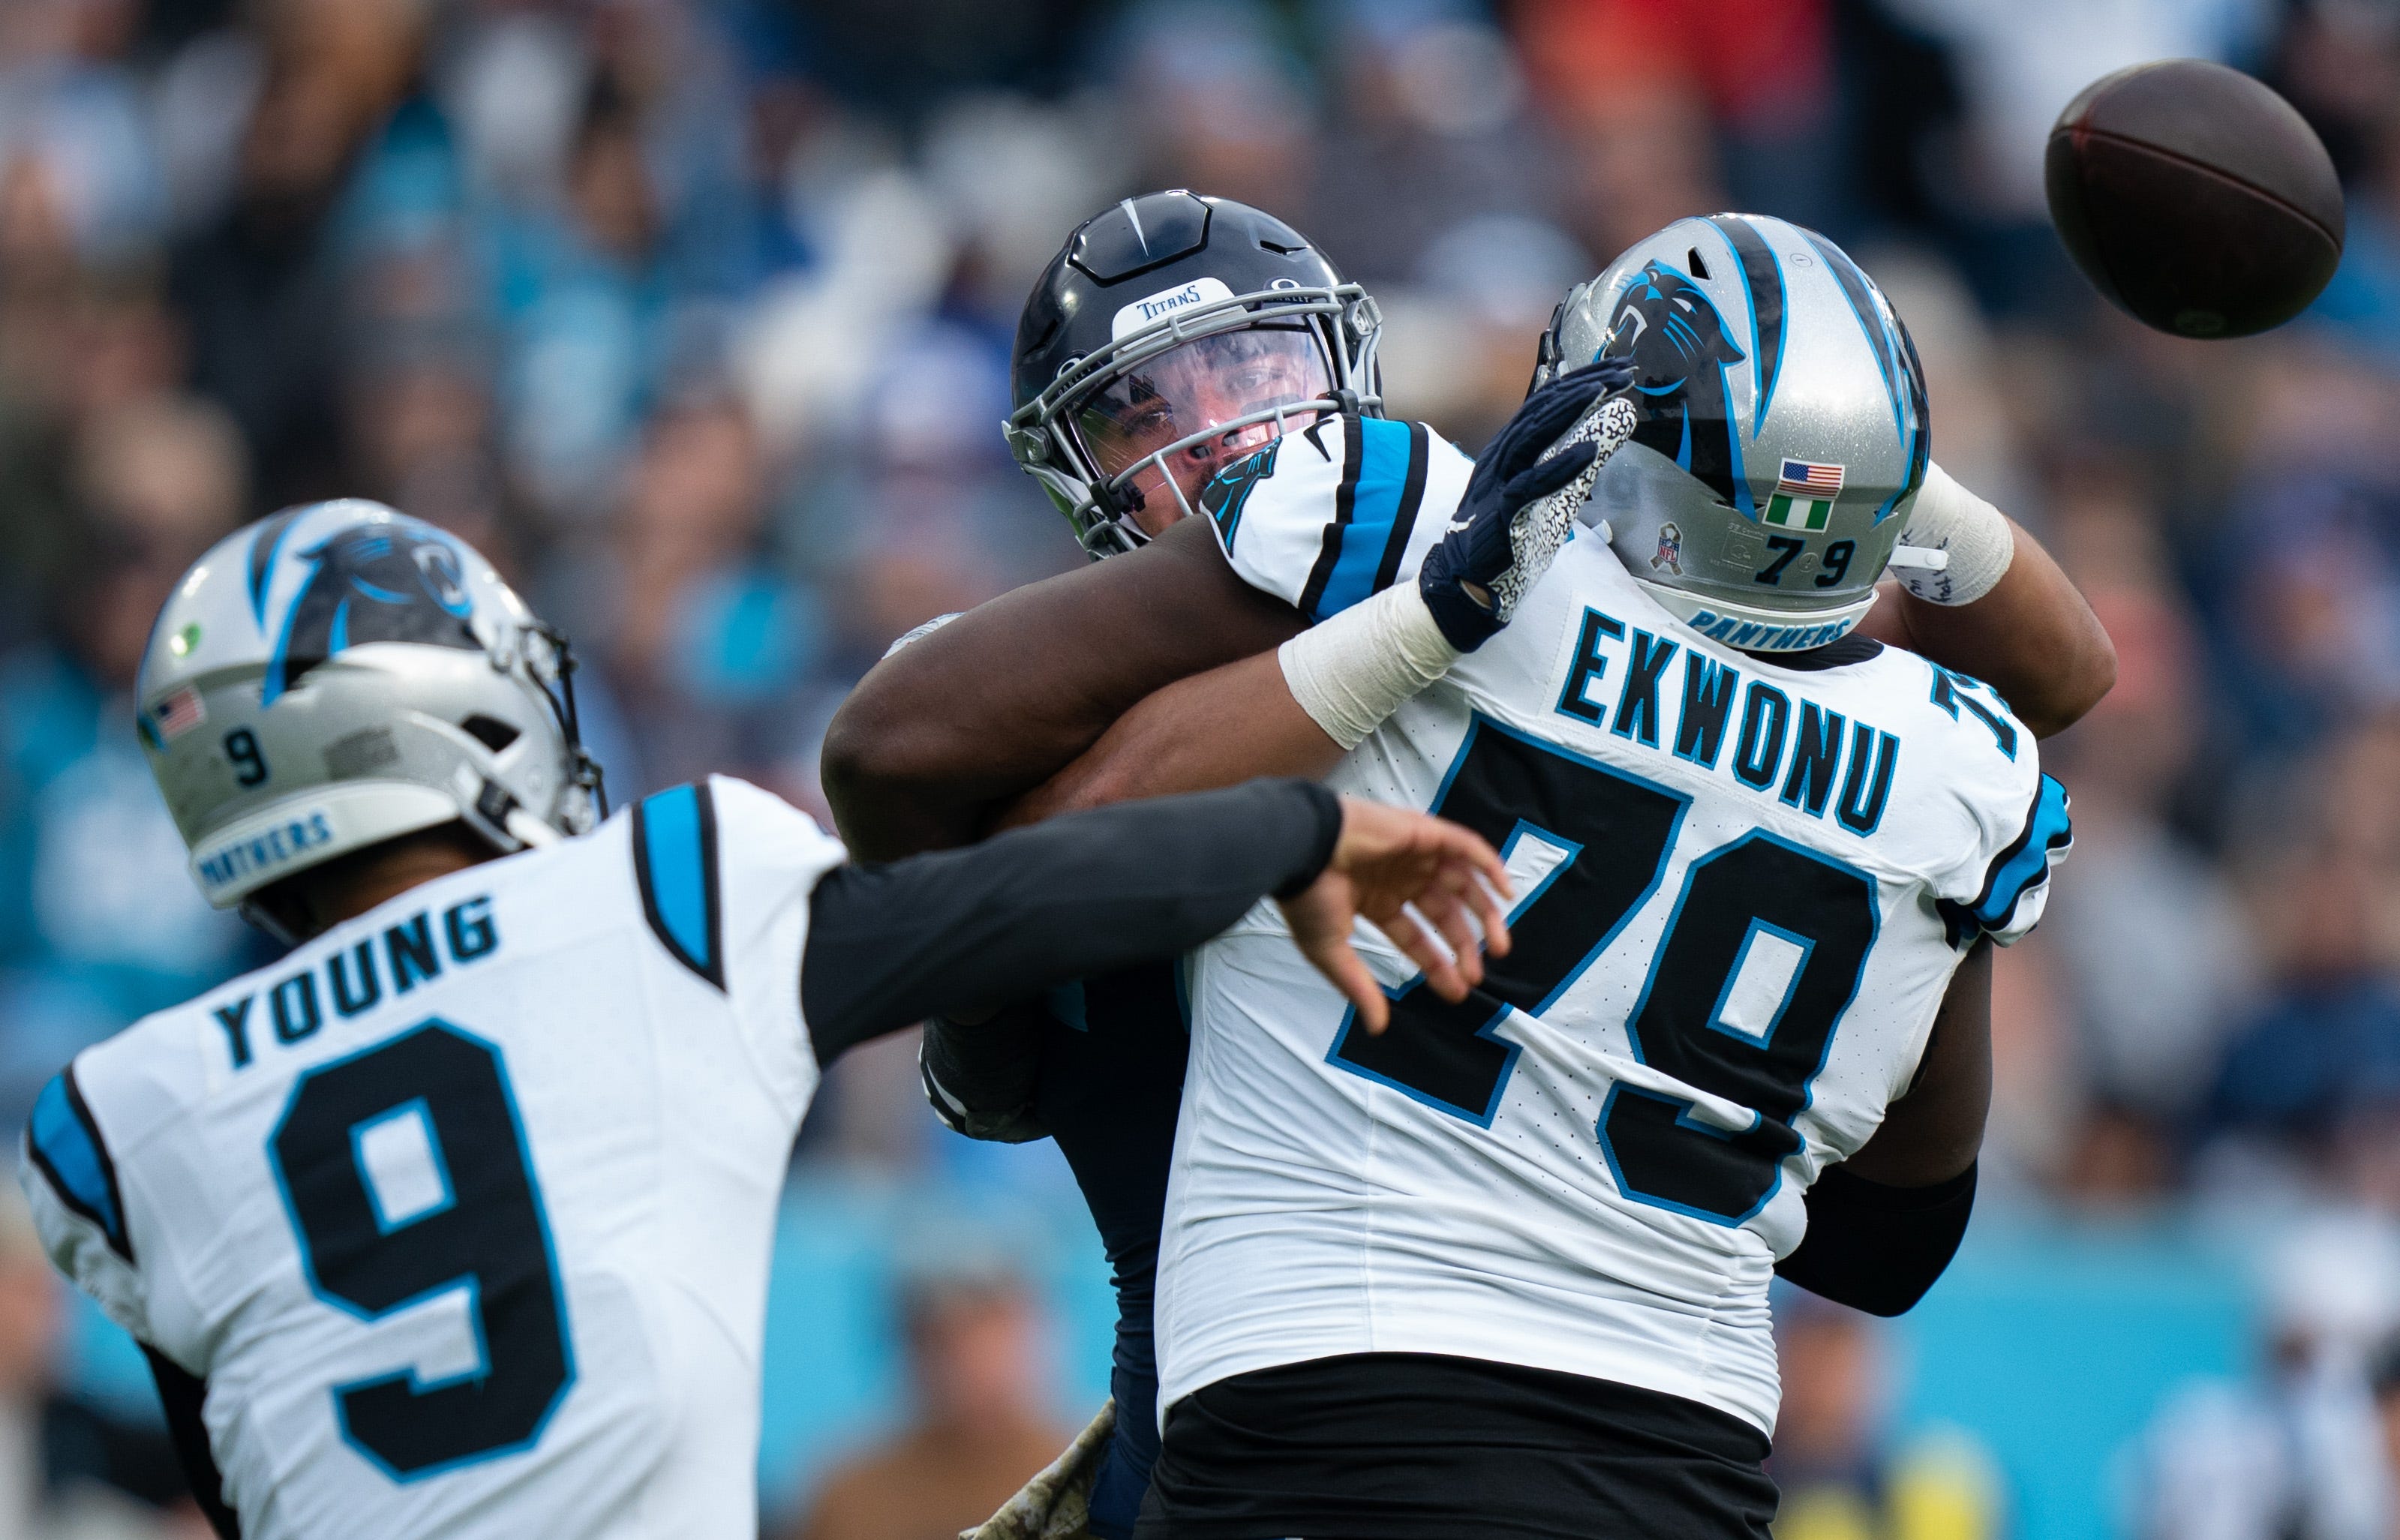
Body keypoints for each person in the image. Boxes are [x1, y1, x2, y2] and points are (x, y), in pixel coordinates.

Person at [824, 203, 2111, 1538]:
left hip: (1303, 1431)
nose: (1222, 442)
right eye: (1148, 416)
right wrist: (1832, 449)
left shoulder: (1406, 529)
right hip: (1682, 1471)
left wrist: (1433, 615)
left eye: (1258, 380)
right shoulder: (1967, 763)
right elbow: (1888, 1243)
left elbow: (969, 860)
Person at [14, 497, 1515, 1540]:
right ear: (452, 709)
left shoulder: (119, 1114)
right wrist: (1294, 833)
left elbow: (249, 1478)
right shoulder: (652, 896)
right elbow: (1012, 899)